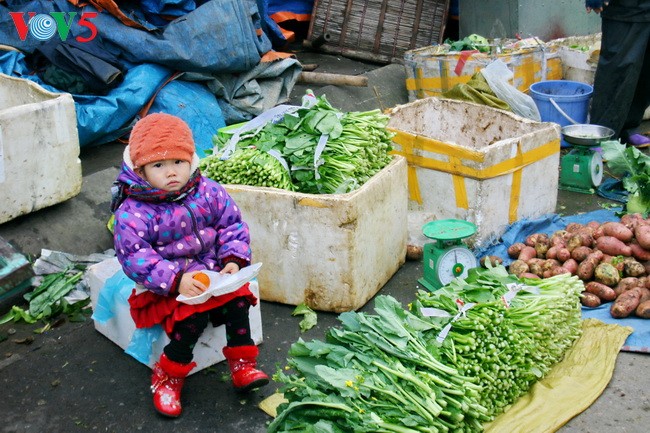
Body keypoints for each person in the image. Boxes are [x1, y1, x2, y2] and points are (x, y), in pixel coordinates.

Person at [111, 113, 269, 418]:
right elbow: (135, 257)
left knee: (238, 304)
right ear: (141, 170)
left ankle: (243, 365)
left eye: (178, 163)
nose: (171, 173)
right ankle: (168, 376)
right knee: (191, 320)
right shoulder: (133, 212)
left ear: (191, 160)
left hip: (212, 273)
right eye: (159, 165)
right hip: (166, 285)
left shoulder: (208, 191)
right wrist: (176, 279)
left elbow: (231, 226)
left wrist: (233, 261)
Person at [586, 0, 650, 147]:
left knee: (645, 73)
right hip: (624, 9)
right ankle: (601, 136)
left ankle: (628, 128)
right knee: (617, 71)